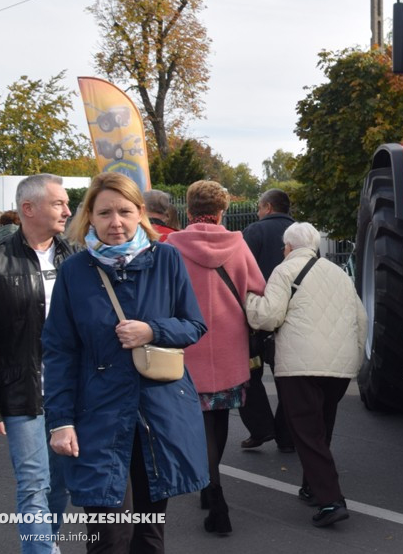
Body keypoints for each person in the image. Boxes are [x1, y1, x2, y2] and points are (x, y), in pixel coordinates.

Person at [43, 172, 209, 553]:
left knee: (149, 535)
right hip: (98, 414)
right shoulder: (75, 271)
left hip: (159, 412)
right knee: (109, 536)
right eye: (104, 213)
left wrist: (152, 330)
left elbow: (194, 324)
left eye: (124, 211)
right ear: (90, 217)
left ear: (140, 214)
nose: (115, 222)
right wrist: (61, 421)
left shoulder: (167, 259)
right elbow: (59, 350)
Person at [0, 174, 74, 553]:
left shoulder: (72, 256)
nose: (68, 210)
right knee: (33, 485)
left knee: (59, 486)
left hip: (68, 395)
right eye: (59, 203)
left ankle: (47, 544)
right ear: (29, 209)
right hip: (20, 393)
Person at [246, 222, 366, 527]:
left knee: (307, 433)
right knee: (322, 426)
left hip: (300, 365)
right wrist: (354, 354)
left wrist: (249, 300)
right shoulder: (339, 273)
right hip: (339, 366)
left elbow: (268, 317)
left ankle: (331, 501)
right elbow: (360, 317)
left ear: (288, 246)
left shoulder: (284, 270)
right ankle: (312, 486)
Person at [165, 180, 265, 535]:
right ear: (222, 210)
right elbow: (258, 291)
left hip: (183, 349)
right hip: (228, 349)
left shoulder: (170, 247)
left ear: (188, 210)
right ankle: (213, 489)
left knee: (193, 424)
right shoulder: (238, 245)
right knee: (219, 421)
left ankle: (213, 491)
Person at [238, 188, 295, 451]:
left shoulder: (254, 231)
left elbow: (241, 272)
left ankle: (261, 428)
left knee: (250, 374)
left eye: (260, 208)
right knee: (289, 379)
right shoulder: (302, 232)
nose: (258, 212)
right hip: (292, 317)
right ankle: (287, 433)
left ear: (268, 208)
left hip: (257, 319)